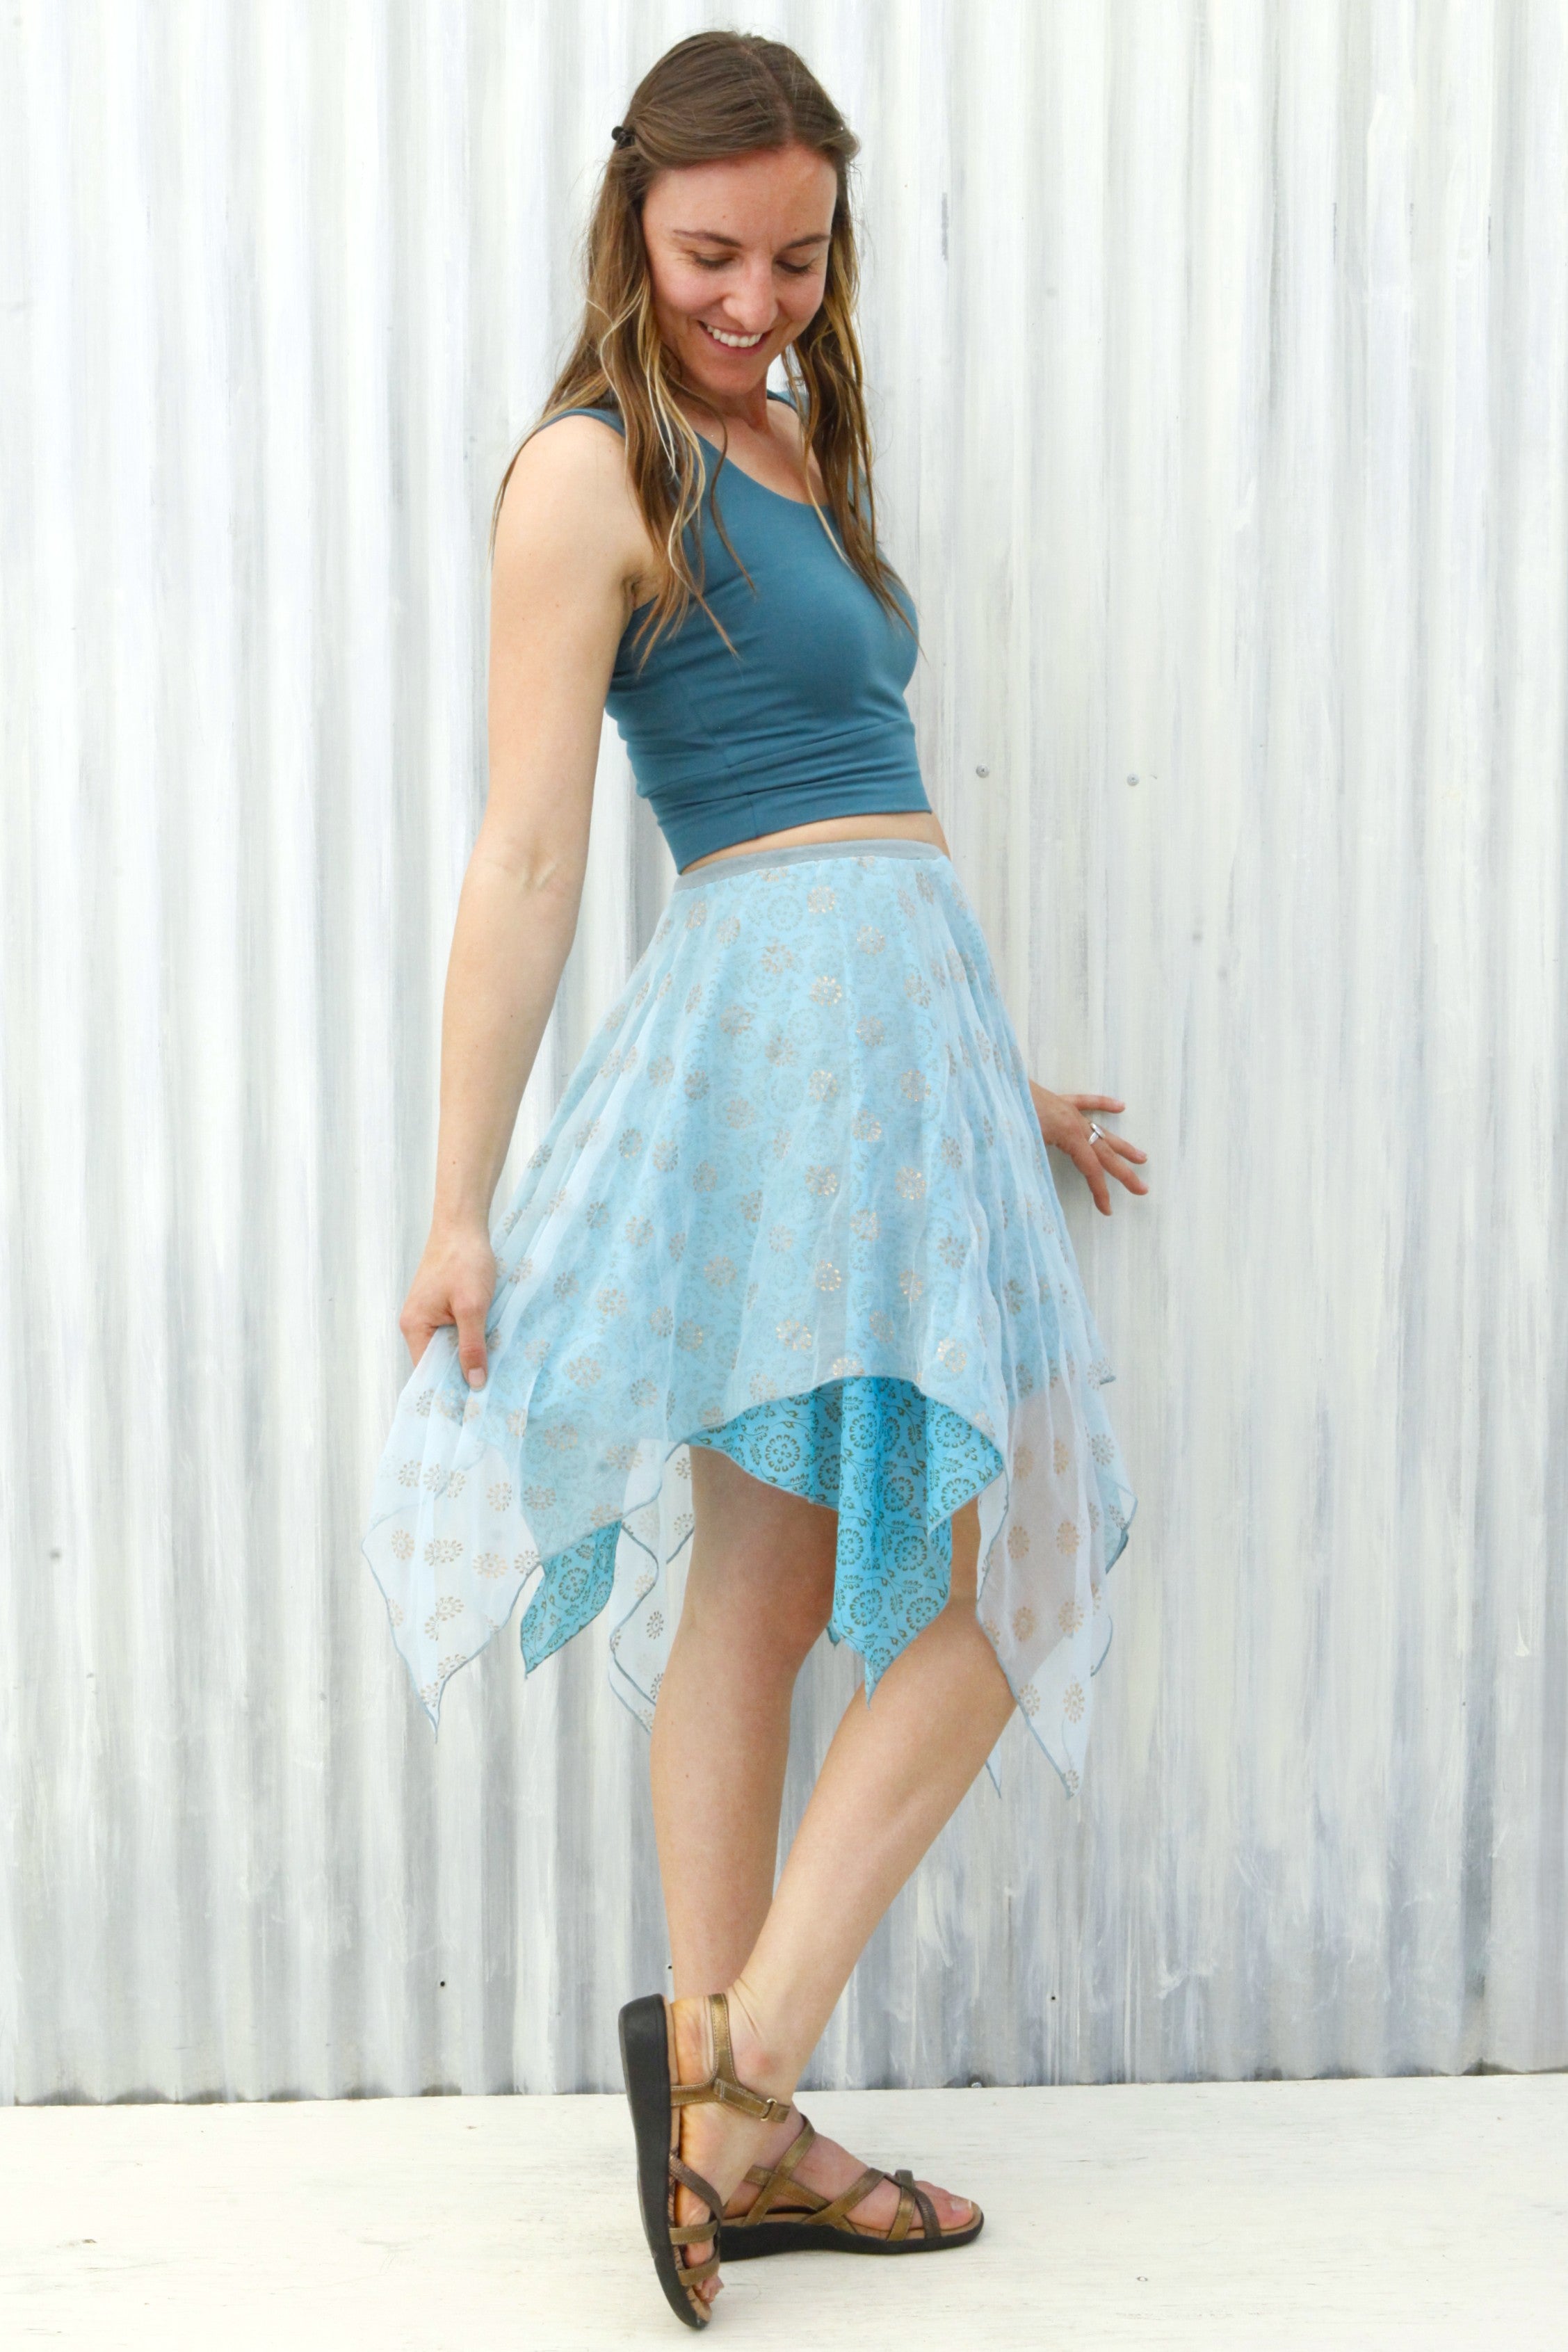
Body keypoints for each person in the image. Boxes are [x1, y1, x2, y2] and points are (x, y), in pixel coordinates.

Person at [360, 29, 1147, 2332]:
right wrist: (458, 1200)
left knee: (778, 1591)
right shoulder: (585, 470)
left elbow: (871, 794)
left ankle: (738, 2115)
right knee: (990, 1567)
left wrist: (998, 1086)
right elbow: (528, 856)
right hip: (779, 1043)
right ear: (633, 220)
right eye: (715, 253)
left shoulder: (796, 437)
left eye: (798, 258)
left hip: (894, 1044)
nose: (755, 299)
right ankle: (754, 2075)